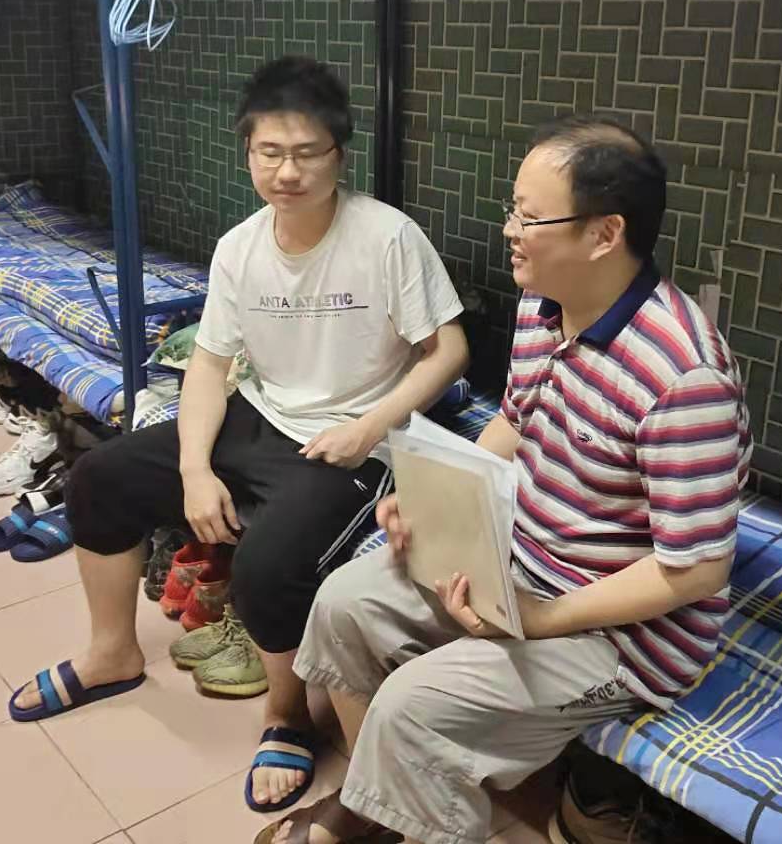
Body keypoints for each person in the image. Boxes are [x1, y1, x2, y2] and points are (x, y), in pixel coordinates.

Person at [260, 115, 752, 844]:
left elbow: (697, 571)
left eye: (530, 216)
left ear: (604, 234)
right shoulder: (543, 304)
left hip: (622, 633)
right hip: (521, 561)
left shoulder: (682, 377)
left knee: (413, 707)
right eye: (512, 210)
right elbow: (517, 422)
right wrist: (428, 501)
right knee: (343, 604)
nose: (510, 231)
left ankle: (394, 805)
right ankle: (376, 808)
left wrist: (537, 619)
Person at [7, 57, 469, 817]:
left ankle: (286, 715)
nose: (287, 172)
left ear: (339, 155)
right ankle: (112, 652)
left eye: (307, 153)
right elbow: (210, 365)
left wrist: (370, 426)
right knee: (100, 478)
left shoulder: (386, 236)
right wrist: (194, 467)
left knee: (268, 566)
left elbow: (447, 350)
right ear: (247, 152)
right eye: (270, 152)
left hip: (354, 443)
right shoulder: (241, 247)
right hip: (262, 416)